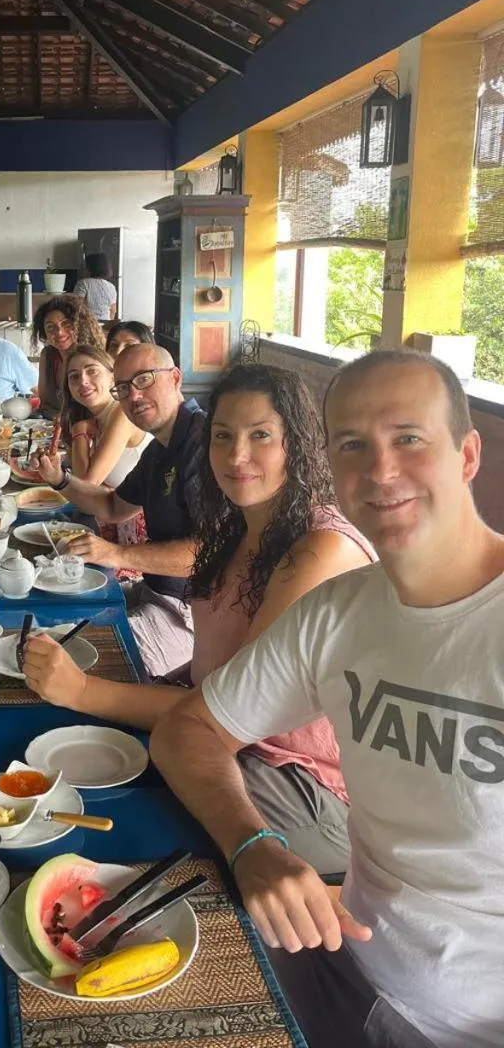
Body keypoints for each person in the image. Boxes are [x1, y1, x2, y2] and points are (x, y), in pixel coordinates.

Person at [149, 349, 504, 1048]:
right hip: (339, 965)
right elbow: (187, 733)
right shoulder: (339, 613)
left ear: (466, 455)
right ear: (330, 466)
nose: (379, 470)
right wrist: (253, 845)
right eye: (353, 446)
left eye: (408, 439)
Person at [26, 363, 374, 873]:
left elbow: (231, 711)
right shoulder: (232, 528)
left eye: (261, 436)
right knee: (66, 756)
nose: (236, 456)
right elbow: (207, 678)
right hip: (217, 741)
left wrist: (83, 690)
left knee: (123, 826)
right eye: (223, 436)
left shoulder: (320, 549)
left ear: (296, 444)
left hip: (300, 783)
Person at [36, 342, 202, 675]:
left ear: (176, 378)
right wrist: (60, 480)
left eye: (144, 380)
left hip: (192, 612)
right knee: (56, 615)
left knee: (81, 664)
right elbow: (112, 506)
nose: (133, 396)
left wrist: (117, 554)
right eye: (123, 388)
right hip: (155, 591)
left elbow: (207, 552)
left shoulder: (204, 440)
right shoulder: (159, 449)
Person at [59, 345, 151, 573]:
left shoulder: (122, 413)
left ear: (113, 376)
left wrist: (80, 435)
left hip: (139, 542)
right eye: (74, 377)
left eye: (92, 371)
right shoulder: (94, 418)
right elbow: (80, 483)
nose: (83, 381)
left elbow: (86, 484)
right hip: (109, 524)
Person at [32, 294, 104, 417]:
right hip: (48, 427)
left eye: (66, 324)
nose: (59, 332)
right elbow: (44, 402)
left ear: (79, 325)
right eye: (50, 327)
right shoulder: (48, 355)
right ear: (44, 334)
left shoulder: (93, 357)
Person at [73, 252, 117, 321]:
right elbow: (113, 310)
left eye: (86, 266)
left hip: (88, 323)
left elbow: (76, 306)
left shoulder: (83, 283)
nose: (84, 268)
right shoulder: (111, 286)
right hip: (106, 324)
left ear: (90, 268)